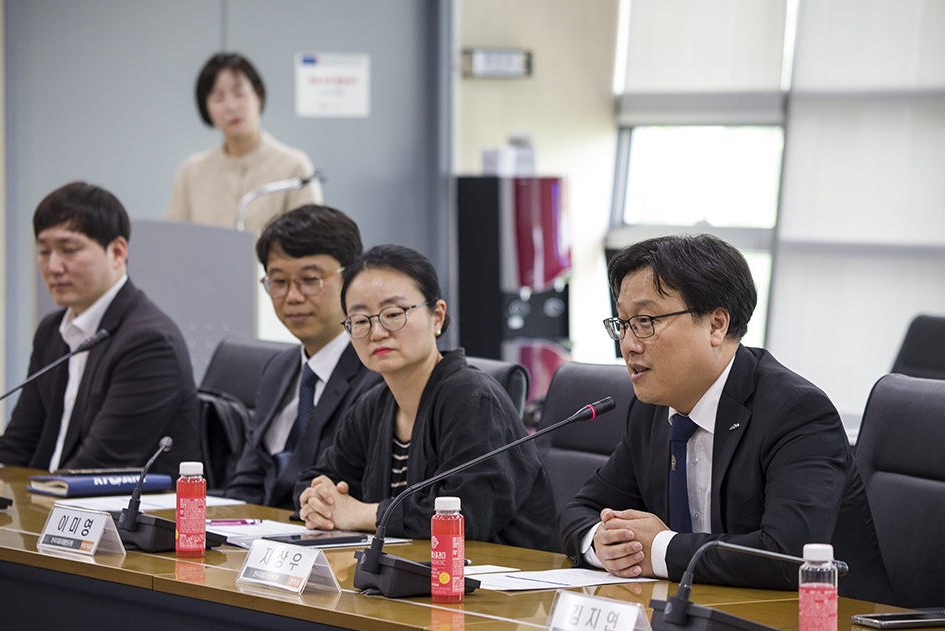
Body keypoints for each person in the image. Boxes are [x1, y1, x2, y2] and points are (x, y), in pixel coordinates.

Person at [559, 234, 892, 602]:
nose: (628, 344)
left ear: (716, 325)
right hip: (704, 611)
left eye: (645, 321)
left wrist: (661, 549)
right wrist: (602, 543)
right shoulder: (651, 409)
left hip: (826, 618)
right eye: (622, 323)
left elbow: (789, 556)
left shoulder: (796, 412)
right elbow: (580, 510)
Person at [295, 245, 557, 550]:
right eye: (361, 320)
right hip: (411, 568)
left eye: (393, 314)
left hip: (504, 572)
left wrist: (362, 514)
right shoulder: (372, 405)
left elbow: (466, 516)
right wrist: (318, 501)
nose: (376, 332)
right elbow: (317, 477)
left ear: (437, 317)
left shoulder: (473, 400)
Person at [0, 182, 200, 477]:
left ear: (117, 252)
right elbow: (17, 446)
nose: (53, 267)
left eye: (68, 250)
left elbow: (97, 467)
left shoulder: (149, 342)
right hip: (49, 496)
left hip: (112, 504)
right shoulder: (52, 331)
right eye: (43, 251)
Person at [224, 205, 381, 509]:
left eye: (310, 280)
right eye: (279, 282)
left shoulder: (377, 371)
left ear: (352, 279)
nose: (293, 297)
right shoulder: (278, 368)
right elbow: (248, 481)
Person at [163, 52, 322, 233]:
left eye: (239, 94)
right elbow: (171, 238)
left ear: (258, 96)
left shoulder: (293, 168)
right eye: (218, 99)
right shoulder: (191, 172)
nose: (231, 107)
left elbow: (311, 240)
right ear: (206, 108)